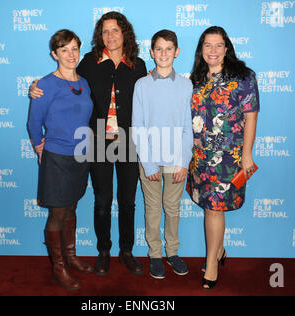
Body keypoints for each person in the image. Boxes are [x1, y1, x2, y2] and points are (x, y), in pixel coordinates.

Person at [29, 12, 147, 276]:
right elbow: (65, 79)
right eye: (105, 31)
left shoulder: (138, 65)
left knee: (127, 201)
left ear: (124, 32)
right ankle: (103, 252)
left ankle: (126, 251)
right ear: (99, 36)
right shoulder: (89, 63)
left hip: (129, 141)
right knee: (102, 200)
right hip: (96, 141)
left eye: (115, 30)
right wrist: (35, 87)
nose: (110, 36)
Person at [186, 26, 260, 289]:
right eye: (208, 45)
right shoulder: (195, 79)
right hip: (200, 157)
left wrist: (247, 155)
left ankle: (213, 263)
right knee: (211, 209)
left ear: (227, 48)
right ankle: (219, 251)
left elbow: (251, 117)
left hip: (229, 159)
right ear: (201, 49)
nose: (213, 50)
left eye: (218, 45)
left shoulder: (243, 77)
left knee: (214, 210)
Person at [27, 29, 94, 290]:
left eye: (74, 48)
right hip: (56, 157)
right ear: (54, 54)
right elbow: (33, 123)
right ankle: (59, 268)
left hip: (81, 156)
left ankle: (71, 257)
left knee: (72, 207)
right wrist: (39, 148)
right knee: (57, 213)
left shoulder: (84, 82)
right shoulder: (44, 85)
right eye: (64, 50)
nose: (70, 54)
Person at [131, 30, 193, 279]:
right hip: (150, 160)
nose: (164, 53)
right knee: (153, 208)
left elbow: (188, 127)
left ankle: (172, 252)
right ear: (151, 52)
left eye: (169, 48)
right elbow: (138, 126)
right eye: (159, 48)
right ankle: (155, 254)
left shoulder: (186, 85)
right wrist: (148, 163)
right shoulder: (142, 85)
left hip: (176, 160)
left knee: (172, 207)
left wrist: (183, 162)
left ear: (177, 52)